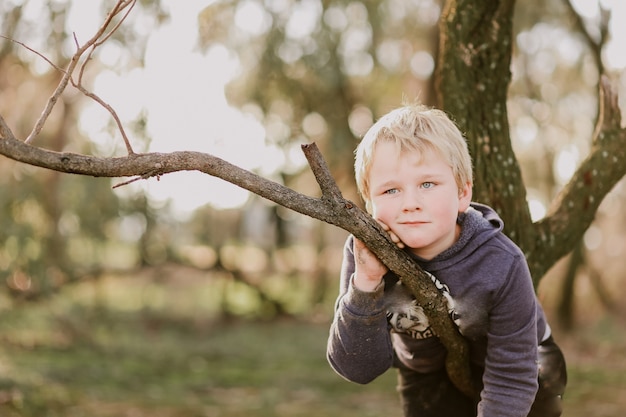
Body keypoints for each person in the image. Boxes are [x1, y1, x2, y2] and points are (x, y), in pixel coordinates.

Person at [326, 103, 567, 417]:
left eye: (427, 184)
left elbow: (511, 376)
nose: (410, 203)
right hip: (426, 368)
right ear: (369, 203)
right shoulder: (363, 253)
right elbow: (357, 368)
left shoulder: (501, 262)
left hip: (523, 363)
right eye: (390, 190)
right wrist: (366, 283)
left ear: (463, 194)